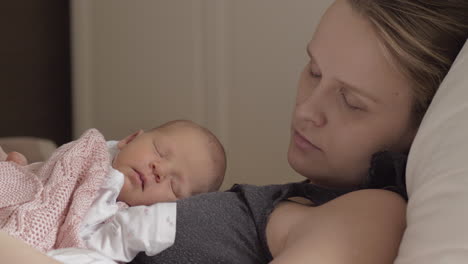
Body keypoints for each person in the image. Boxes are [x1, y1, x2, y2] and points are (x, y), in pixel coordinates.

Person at [0, 0, 467, 263]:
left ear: (420, 132)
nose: (307, 109)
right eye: (313, 70)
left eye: (351, 102)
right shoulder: (280, 204)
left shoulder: (374, 214)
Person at [1, 120, 226, 263]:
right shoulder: (90, 154)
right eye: (160, 151)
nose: (160, 170)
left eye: (174, 185)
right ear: (130, 139)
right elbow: (51, 180)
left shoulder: (122, 224)